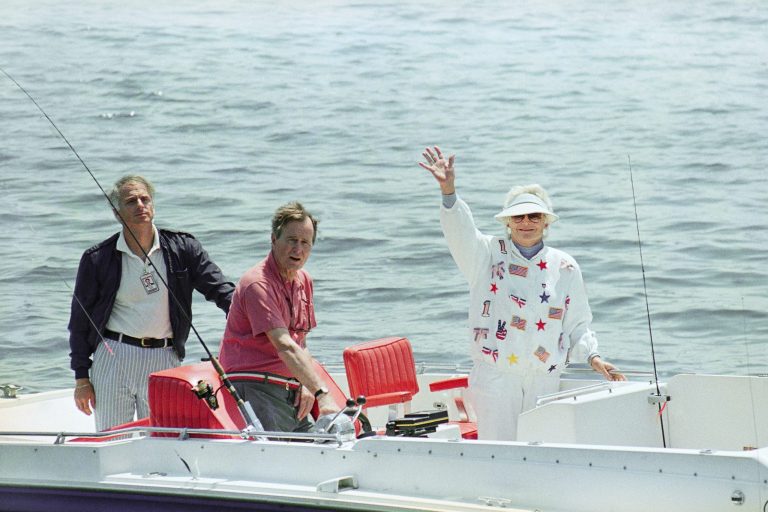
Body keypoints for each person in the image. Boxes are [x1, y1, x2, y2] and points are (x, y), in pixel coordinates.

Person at [418, 146, 625, 441]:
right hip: (496, 377)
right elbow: (459, 231)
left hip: (544, 378)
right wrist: (449, 191)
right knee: (498, 451)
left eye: (534, 216)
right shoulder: (486, 254)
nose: (526, 223)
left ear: (546, 221)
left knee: (541, 452)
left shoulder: (564, 266)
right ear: (507, 222)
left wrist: (594, 358)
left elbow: (577, 324)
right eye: (518, 217)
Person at [69, 175, 235, 431]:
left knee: (163, 436)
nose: (140, 205)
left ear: (153, 205)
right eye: (130, 201)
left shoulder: (183, 247)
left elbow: (220, 290)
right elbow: (79, 322)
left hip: (165, 356)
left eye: (145, 199)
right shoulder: (97, 258)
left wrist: (248, 314)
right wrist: (82, 377)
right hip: (115, 354)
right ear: (117, 213)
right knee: (113, 439)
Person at [218, 201, 338, 432]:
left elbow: (300, 342)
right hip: (254, 385)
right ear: (274, 239)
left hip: (289, 389)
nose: (298, 249)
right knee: (287, 456)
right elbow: (284, 345)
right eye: (292, 240)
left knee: (321, 444)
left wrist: (306, 383)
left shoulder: (304, 280)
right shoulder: (257, 284)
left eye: (305, 243)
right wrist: (321, 393)